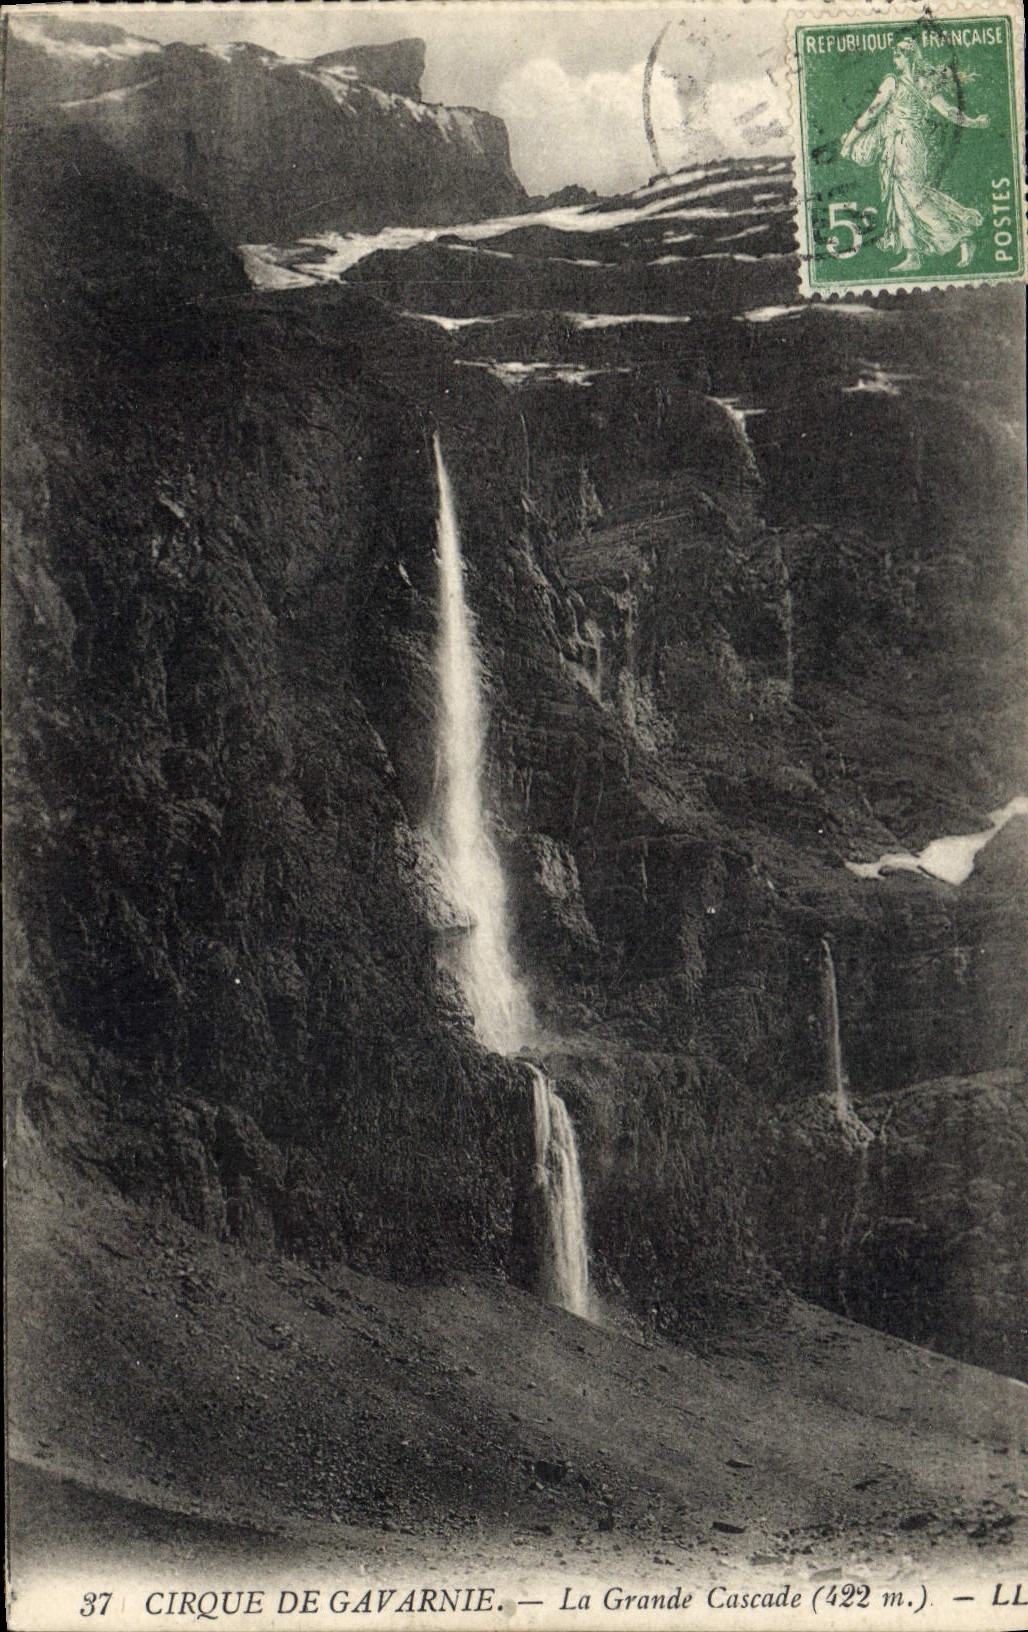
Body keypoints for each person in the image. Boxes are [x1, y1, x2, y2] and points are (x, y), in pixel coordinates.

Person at [840, 37, 989, 272]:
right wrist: (849, 142)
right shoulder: (894, 83)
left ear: (908, 56)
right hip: (893, 144)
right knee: (899, 197)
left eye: (898, 55)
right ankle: (913, 255)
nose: (894, 59)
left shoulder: (920, 84)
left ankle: (960, 234)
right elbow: (870, 114)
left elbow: (948, 111)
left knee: (914, 196)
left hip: (911, 144)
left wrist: (974, 122)